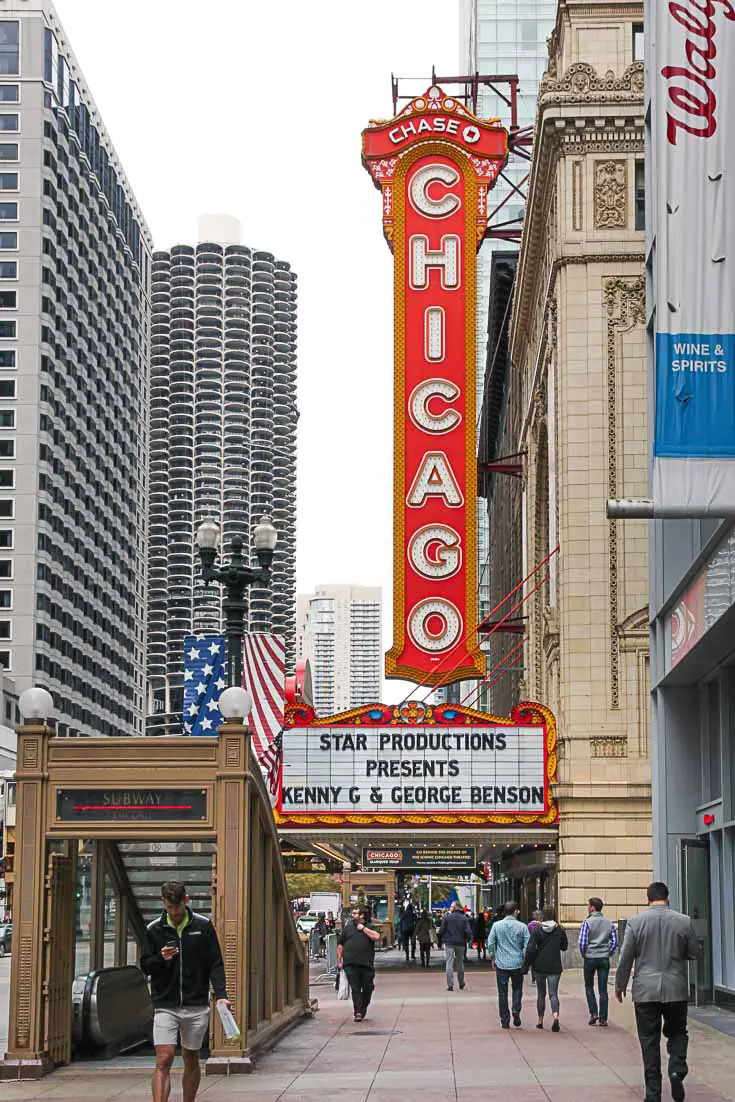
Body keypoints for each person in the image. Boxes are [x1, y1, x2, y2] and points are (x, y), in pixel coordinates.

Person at [141, 880, 231, 1102]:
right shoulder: (154, 930)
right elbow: (144, 965)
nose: (174, 912)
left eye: (177, 907)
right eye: (169, 908)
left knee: (191, 1057)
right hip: (165, 1003)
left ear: (186, 901)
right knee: (164, 1058)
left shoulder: (202, 926)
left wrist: (221, 995)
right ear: (163, 903)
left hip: (195, 1003)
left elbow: (215, 963)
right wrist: (161, 958)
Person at [615, 882, 700, 1102]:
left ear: (648, 898)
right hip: (676, 988)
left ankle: (653, 1095)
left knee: (649, 1041)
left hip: (645, 991)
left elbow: (625, 958)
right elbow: (694, 953)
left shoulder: (636, 922)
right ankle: (677, 1067)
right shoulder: (683, 921)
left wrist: (620, 985)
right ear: (668, 897)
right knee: (678, 1031)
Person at [487, 900, 530, 1029]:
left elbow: (491, 943)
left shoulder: (496, 925)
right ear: (515, 912)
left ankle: (504, 1020)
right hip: (517, 962)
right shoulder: (523, 927)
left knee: (502, 992)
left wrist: (493, 957)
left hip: (502, 964)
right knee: (517, 988)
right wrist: (523, 957)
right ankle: (516, 1009)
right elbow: (528, 945)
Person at [525, 904, 568, 1032]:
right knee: (553, 993)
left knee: (541, 994)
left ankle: (540, 1021)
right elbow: (564, 947)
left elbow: (531, 948)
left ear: (543, 915)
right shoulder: (560, 929)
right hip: (554, 966)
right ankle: (556, 1018)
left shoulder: (537, 930)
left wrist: (528, 961)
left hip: (539, 966)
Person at [337, 905, 381, 1023]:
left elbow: (376, 937)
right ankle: (358, 1012)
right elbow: (340, 944)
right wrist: (339, 960)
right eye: (353, 913)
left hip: (366, 964)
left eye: (355, 913)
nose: (353, 915)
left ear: (362, 915)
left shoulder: (370, 927)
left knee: (368, 988)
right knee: (355, 988)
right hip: (350, 963)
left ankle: (362, 1008)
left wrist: (363, 929)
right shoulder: (347, 928)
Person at [579, 895, 618, 1026]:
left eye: (588, 906)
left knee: (589, 986)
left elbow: (582, 942)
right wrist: (609, 952)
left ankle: (593, 1013)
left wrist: (585, 954)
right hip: (603, 958)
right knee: (603, 989)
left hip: (590, 957)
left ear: (593, 908)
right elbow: (614, 941)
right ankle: (603, 1018)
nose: (587, 908)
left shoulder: (587, 922)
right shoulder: (609, 923)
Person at [439, 901, 473, 991]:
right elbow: (468, 932)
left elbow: (441, 930)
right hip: (461, 943)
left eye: (451, 906)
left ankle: (450, 985)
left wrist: (442, 938)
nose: (450, 908)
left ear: (454, 908)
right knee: (460, 963)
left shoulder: (447, 918)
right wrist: (467, 939)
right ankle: (461, 982)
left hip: (449, 943)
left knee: (449, 962)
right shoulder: (464, 919)